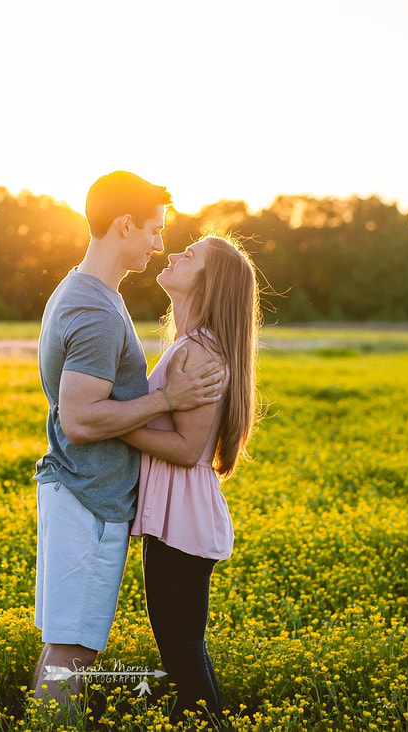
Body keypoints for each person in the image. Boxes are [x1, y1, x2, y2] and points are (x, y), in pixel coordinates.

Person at [32, 171, 225, 711]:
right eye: (155, 230)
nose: (161, 244)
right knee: (72, 650)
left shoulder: (94, 293)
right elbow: (81, 420)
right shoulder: (94, 309)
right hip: (89, 497)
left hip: (85, 494)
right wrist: (169, 399)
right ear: (124, 225)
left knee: (68, 644)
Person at [124, 234, 261, 720]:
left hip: (181, 516)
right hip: (177, 514)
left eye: (191, 255)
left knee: (181, 649)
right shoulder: (191, 344)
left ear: (210, 283)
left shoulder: (200, 351)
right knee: (182, 646)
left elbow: (185, 451)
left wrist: (117, 426)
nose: (175, 254)